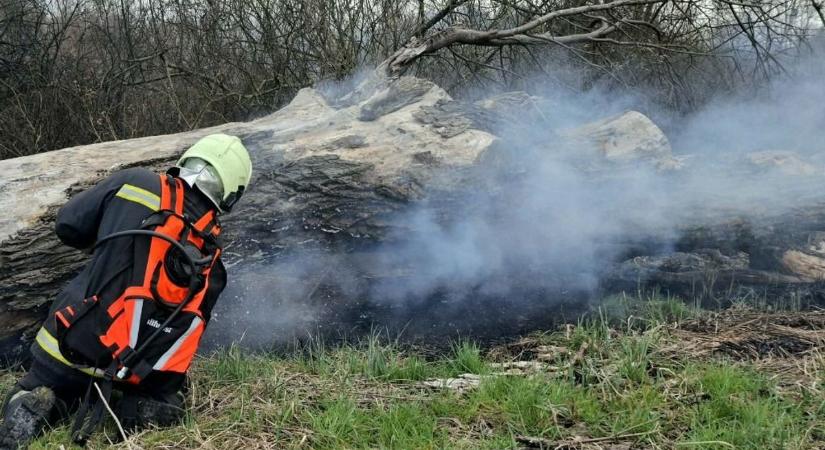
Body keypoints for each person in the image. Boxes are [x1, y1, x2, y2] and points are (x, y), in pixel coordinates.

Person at [0, 133, 252, 448]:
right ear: (231, 194)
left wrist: (110, 245)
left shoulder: (137, 183)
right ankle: (138, 408)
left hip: (73, 337)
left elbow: (67, 225)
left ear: (188, 160)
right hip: (137, 369)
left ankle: (39, 399)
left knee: (48, 383)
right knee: (165, 393)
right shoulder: (212, 261)